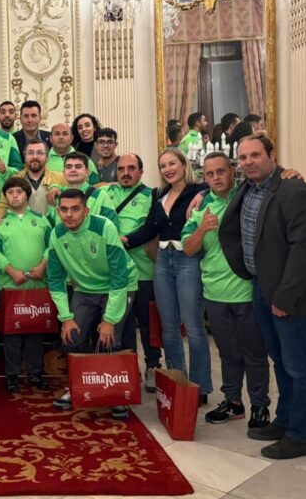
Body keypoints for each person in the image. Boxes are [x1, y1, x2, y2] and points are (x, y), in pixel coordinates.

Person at [220, 135, 306, 459]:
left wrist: (284, 297)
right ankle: (285, 420)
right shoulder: (248, 189)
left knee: (300, 367)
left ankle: (302, 434)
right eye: (243, 158)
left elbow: (304, 249)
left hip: (291, 296)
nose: (248, 162)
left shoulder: (293, 190)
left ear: (272, 155)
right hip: (260, 286)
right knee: (281, 362)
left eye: (255, 155)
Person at [182, 152, 270, 430]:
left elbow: (270, 179)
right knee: (228, 353)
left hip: (246, 292)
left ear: (232, 172)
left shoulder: (248, 197)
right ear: (203, 177)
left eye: (221, 172)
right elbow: (188, 248)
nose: (216, 178)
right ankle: (233, 402)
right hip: (215, 293)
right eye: (209, 174)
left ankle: (260, 406)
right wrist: (203, 228)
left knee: (255, 353)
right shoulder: (200, 208)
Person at [123, 148, 212, 402]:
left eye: (172, 163)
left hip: (187, 260)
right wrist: (125, 240)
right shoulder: (159, 195)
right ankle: (177, 382)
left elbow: (219, 189)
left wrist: (204, 192)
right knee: (169, 327)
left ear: (184, 164)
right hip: (162, 262)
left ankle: (200, 387)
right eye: (163, 166)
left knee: (193, 326)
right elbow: (149, 228)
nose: (168, 169)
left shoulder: (198, 191)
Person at [47, 189, 136, 419]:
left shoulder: (104, 226)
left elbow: (119, 276)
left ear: (86, 211)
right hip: (85, 289)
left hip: (118, 285)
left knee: (110, 339)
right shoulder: (56, 234)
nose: (69, 215)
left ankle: (115, 395)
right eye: (64, 209)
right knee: (71, 337)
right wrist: (65, 317)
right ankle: (76, 387)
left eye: (75, 209)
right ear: (58, 211)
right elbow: (55, 280)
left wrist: (109, 320)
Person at [0, 177, 51, 393]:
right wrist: (11, 271)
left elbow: (52, 246)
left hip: (37, 286)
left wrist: (43, 265)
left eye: (19, 192)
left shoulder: (43, 220)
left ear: (27, 195)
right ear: (5, 197)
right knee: (11, 336)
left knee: (35, 333)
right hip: (9, 286)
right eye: (10, 192)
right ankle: (12, 376)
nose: (15, 195)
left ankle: (35, 374)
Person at [106, 153, 161, 392]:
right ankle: (129, 367)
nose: (125, 173)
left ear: (141, 171)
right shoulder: (106, 194)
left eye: (131, 168)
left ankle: (152, 366)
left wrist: (125, 241)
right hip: (117, 276)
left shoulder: (152, 196)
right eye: (121, 169)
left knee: (148, 324)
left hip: (144, 272)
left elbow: (152, 228)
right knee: (124, 324)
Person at [0, 139, 64, 223]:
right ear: (25, 157)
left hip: (52, 231)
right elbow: (3, 205)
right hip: (23, 231)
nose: (35, 156)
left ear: (47, 158)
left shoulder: (61, 178)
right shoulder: (14, 180)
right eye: (30, 153)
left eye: (40, 153)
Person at [47, 152, 119, 229]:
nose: (73, 170)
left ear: (87, 172)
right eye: (68, 167)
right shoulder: (56, 195)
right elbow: (50, 228)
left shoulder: (100, 195)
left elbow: (113, 227)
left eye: (78, 167)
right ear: (64, 173)